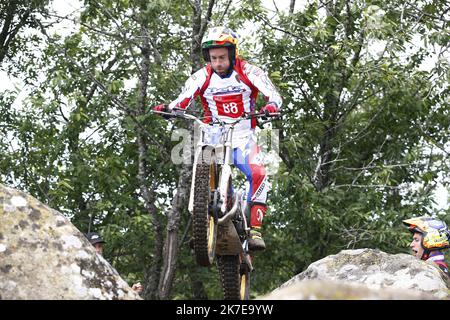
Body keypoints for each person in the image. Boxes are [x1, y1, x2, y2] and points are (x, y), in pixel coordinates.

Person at [153, 26, 283, 251]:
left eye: (222, 57)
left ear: (232, 54)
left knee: (259, 173)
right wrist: (170, 109)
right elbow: (184, 97)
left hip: (242, 136)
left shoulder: (249, 71)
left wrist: (271, 106)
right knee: (199, 169)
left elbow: (273, 94)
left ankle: (255, 229)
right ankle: (202, 227)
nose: (218, 62)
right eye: (214, 58)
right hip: (213, 134)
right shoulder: (202, 75)